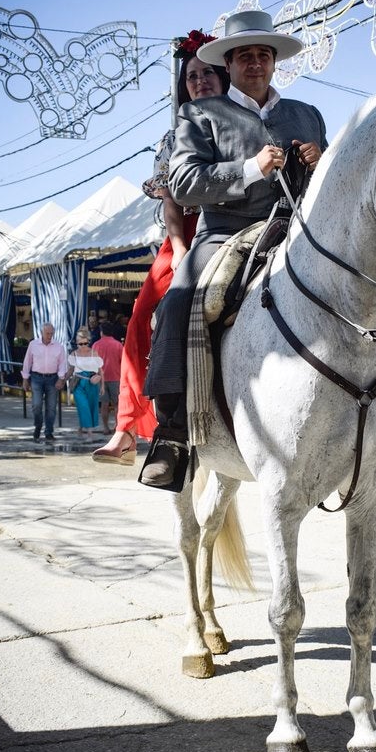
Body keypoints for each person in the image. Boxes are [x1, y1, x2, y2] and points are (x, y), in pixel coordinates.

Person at [139, 10, 327, 489]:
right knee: (179, 300)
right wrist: (249, 169)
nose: (256, 63)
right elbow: (182, 184)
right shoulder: (199, 115)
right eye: (246, 55)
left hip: (297, 229)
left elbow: (330, 184)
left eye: (264, 54)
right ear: (231, 63)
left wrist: (320, 163)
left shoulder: (307, 114)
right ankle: (174, 432)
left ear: (274, 61)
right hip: (226, 232)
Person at [93, 29, 230, 466]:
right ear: (182, 85)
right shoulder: (174, 138)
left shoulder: (246, 124)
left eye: (209, 73)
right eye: (192, 76)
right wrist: (179, 249)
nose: (201, 81)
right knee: (140, 318)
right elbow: (173, 202)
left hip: (243, 224)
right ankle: (129, 429)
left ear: (224, 79)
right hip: (186, 234)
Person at [21, 322, 67, 441]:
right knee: (36, 405)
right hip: (36, 378)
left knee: (51, 407)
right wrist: (25, 379)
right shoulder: (33, 344)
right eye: (47, 333)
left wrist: (61, 379)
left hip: (52, 378)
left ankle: (49, 432)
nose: (49, 336)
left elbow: (62, 364)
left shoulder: (59, 347)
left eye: (51, 333)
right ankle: (38, 426)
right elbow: (27, 362)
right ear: (41, 333)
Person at [66, 327, 104, 433]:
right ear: (77, 343)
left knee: (92, 406)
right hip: (79, 382)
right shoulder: (74, 354)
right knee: (83, 406)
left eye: (85, 343)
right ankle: (89, 432)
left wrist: (102, 386)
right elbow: (70, 370)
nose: (83, 346)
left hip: (92, 382)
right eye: (80, 344)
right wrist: (62, 379)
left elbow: (101, 371)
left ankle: (83, 426)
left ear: (88, 342)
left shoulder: (94, 353)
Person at [91, 320, 123, 435]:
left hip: (101, 379)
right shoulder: (118, 345)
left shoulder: (96, 345)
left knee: (104, 405)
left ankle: (105, 427)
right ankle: (117, 426)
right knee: (117, 404)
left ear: (101, 332)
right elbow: (123, 362)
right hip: (116, 377)